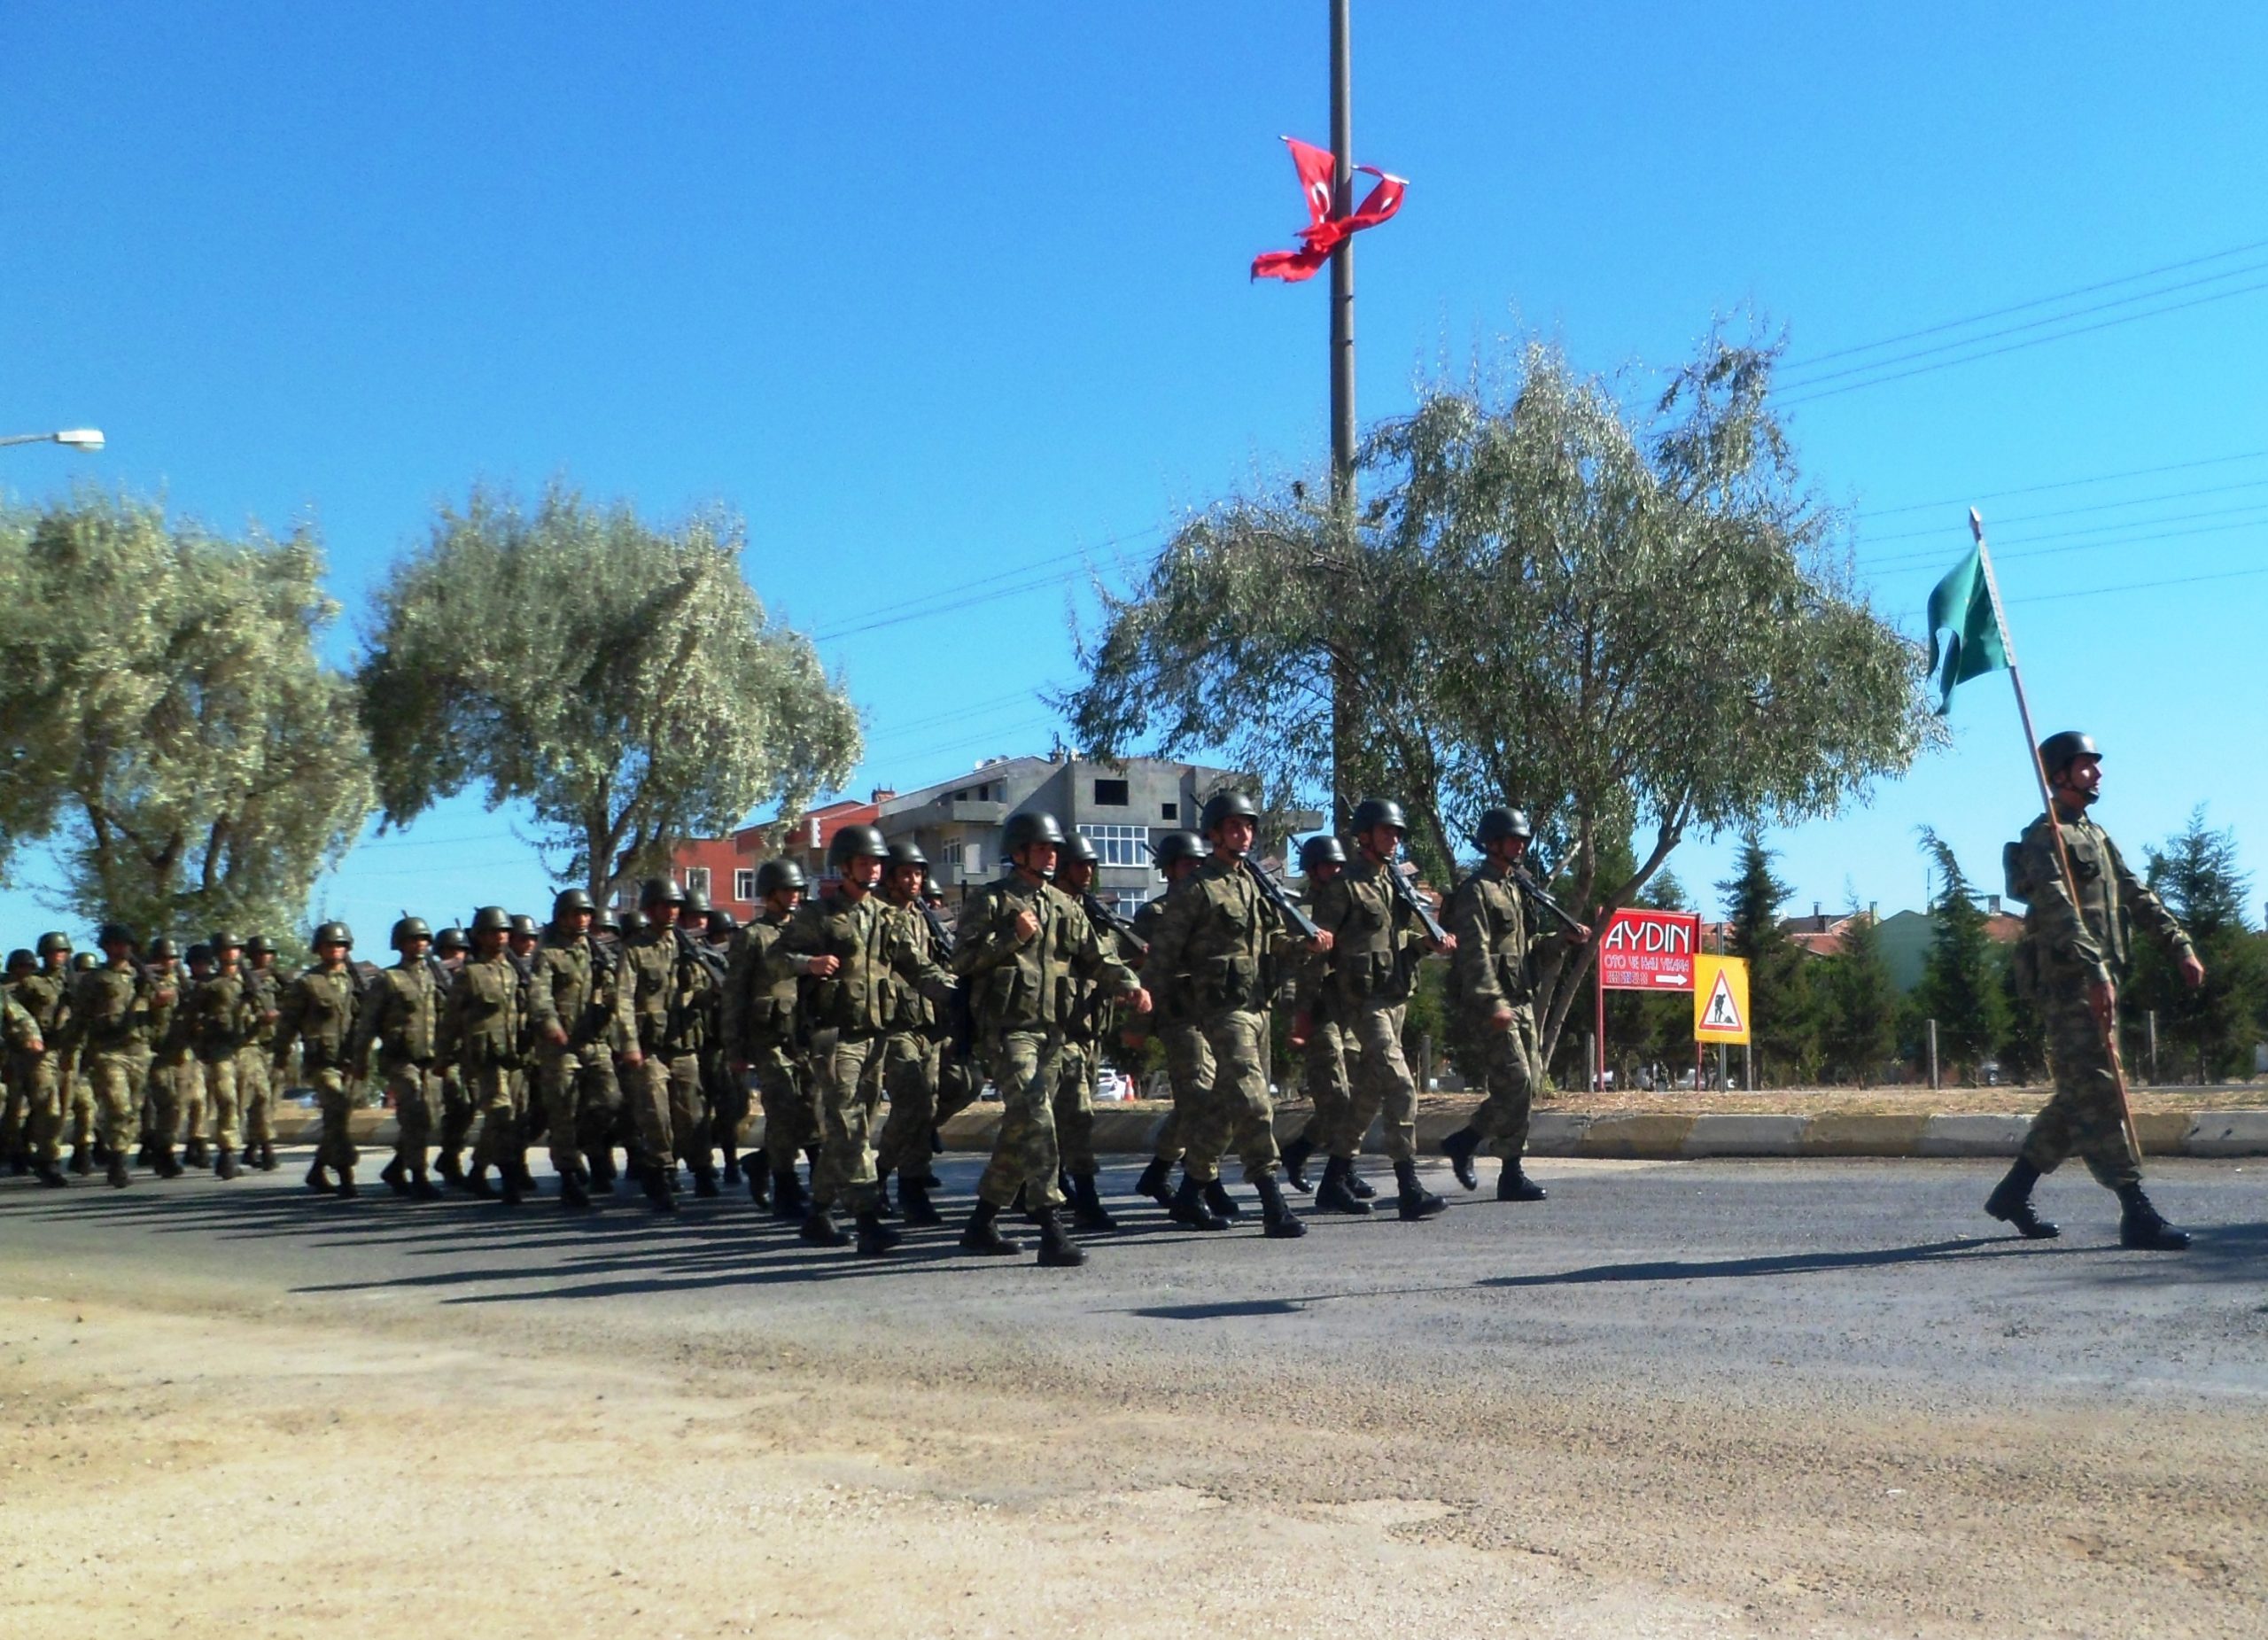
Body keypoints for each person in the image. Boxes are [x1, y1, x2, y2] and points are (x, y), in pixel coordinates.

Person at [1986, 732, 2203, 1250]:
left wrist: (2180, 946)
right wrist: (2093, 971)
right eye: (2085, 766)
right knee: (2101, 1090)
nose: (2097, 774)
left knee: (2079, 1094)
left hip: (2099, 980)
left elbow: (2136, 892)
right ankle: (2136, 1210)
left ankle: (2013, 1194)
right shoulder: (2044, 837)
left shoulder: (2096, 835)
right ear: (2059, 774)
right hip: (2069, 984)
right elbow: (2061, 912)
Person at [950, 812, 1148, 1266]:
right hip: (1007, 1031)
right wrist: (1009, 936)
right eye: (1042, 848)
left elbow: (1098, 956)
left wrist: (1129, 985)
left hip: (1053, 1032)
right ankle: (1050, 1224)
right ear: (1018, 852)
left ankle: (981, 1222)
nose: (1052, 855)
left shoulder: (1064, 905)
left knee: (1025, 1127)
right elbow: (961, 961)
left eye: (1054, 849)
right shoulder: (992, 901)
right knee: (1036, 1114)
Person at [1141, 790, 1327, 1239]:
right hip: (1221, 1010)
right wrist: (1140, 1009)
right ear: (1214, 834)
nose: (1242, 833)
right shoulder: (1196, 889)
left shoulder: (1253, 884)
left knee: (1224, 1108)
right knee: (1253, 1102)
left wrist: (1303, 943)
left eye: (1247, 826)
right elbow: (1162, 956)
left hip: (1255, 1005)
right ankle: (1272, 1201)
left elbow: (1271, 943)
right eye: (1233, 826)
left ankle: (1190, 1191)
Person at [782, 828, 954, 1255]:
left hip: (876, 1035)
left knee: (850, 1128)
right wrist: (809, 963)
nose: (873, 869)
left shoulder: (884, 916)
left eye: (877, 863)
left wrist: (956, 993)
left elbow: (916, 968)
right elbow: (775, 957)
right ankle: (867, 1218)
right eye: (864, 862)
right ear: (844, 867)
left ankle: (818, 1212)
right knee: (850, 1125)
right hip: (834, 1037)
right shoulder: (818, 915)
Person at [1304, 798, 1455, 1221]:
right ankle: (1409, 1186)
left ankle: (1333, 1181)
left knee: (1367, 1095)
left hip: (1396, 999)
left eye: (1397, 832)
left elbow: (1401, 942)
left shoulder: (1395, 884)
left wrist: (1429, 945)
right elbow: (1317, 951)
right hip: (1362, 1003)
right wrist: (1305, 1012)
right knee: (1401, 1086)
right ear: (1365, 835)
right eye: (1387, 831)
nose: (1394, 838)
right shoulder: (1343, 887)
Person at [1440, 808, 1588, 1202]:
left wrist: (1563, 940)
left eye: (1522, 840)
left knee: (1525, 1086)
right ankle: (1509, 1168)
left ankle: (1470, 1143)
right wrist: (1493, 1003)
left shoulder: (1516, 888)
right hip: (1492, 1005)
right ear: (1492, 843)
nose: (1520, 845)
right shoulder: (1477, 891)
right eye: (1512, 839)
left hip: (1520, 1001)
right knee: (1516, 1081)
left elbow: (1528, 950)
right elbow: (1475, 955)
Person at [1127, 830, 1216, 1219]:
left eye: (1199, 863)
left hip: (1212, 1014)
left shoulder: (1209, 908)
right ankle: (1200, 1187)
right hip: (1178, 1015)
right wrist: (1138, 1024)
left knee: (1203, 1101)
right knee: (1199, 1099)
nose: (1194, 870)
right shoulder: (1154, 914)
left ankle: (1159, 1171)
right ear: (1168, 870)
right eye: (1186, 864)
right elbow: (1144, 969)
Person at [724, 859, 816, 1219]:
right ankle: (785, 1185)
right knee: (782, 1108)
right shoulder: (752, 936)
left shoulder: (807, 931)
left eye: (797, 890)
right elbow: (733, 996)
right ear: (770, 895)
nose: (793, 897)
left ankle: (761, 1163)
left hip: (803, 1036)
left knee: (810, 1112)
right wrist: (735, 1048)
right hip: (768, 1039)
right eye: (786, 890)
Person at [528, 890, 631, 1210]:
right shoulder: (549, 955)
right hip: (561, 1046)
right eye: (575, 914)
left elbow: (614, 989)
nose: (582, 919)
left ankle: (591, 1144)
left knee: (610, 1101)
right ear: (561, 917)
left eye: (586, 913)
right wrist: (551, 1025)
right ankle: (569, 1174)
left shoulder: (597, 952)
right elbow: (539, 995)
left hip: (595, 1041)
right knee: (563, 1111)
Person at [871, 842, 954, 1224]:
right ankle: (884, 1175)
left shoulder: (925, 918)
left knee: (929, 1107)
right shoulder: (877, 917)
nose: (913, 880)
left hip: (929, 1023)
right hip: (893, 1024)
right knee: (914, 1104)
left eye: (918, 873)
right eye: (905, 873)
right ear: (889, 877)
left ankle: (911, 1183)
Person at [66, 925, 173, 1187]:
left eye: (123, 944)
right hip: (107, 1051)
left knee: (133, 1109)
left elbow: (159, 1023)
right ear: (105, 947)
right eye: (113, 944)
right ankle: (116, 1161)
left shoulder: (146, 978)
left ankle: (120, 1151)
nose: (119, 949)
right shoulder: (95, 979)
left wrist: (161, 1004)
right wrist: (71, 1052)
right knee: (118, 1105)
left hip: (139, 1050)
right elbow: (80, 1017)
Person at [446, 907, 536, 1204]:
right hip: (485, 1058)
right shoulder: (469, 974)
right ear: (480, 937)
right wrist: (443, 1057)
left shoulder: (514, 972)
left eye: (504, 932)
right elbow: (452, 1020)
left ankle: (478, 1169)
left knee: (512, 1118)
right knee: (501, 1113)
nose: (500, 937)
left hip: (514, 1054)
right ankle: (508, 1177)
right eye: (493, 932)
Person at [355, 917, 445, 1200]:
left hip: (429, 1059)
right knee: (415, 1114)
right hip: (400, 1059)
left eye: (423, 940)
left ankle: (396, 1167)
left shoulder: (435, 976)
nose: (418, 945)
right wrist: (360, 1059)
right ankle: (418, 1175)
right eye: (412, 940)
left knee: (429, 1119)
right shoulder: (388, 979)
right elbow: (368, 1022)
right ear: (400, 944)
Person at [274, 922, 365, 1197]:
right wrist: (280, 1055)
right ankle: (346, 1174)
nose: (335, 950)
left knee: (339, 1118)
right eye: (329, 945)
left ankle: (317, 1170)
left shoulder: (354, 982)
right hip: (321, 1062)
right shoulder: (307, 983)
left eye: (340, 945)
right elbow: (288, 1022)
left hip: (349, 1059)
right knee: (336, 1109)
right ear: (319, 949)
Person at [182, 933, 254, 1180]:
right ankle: (228, 1152)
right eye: (225, 949)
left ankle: (235, 1146)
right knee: (226, 1098)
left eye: (234, 948)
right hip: (219, 1049)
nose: (230, 953)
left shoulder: (252, 983)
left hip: (247, 1048)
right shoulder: (208, 985)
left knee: (243, 1100)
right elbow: (190, 1017)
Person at [238, 936, 284, 1171]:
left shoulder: (278, 980)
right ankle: (265, 1147)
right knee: (259, 1097)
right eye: (259, 953)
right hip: (251, 1045)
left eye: (268, 953)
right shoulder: (242, 980)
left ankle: (253, 1145)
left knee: (271, 1100)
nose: (264, 957)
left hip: (276, 1046)